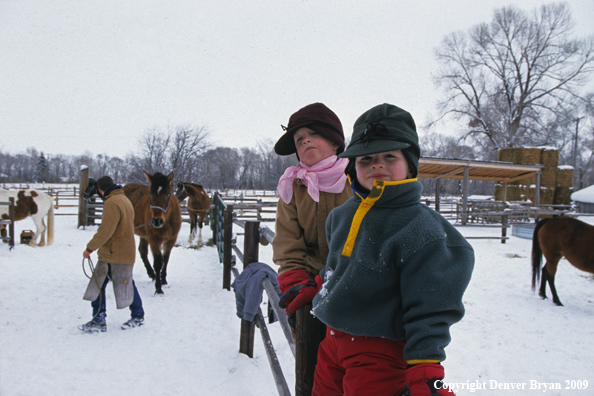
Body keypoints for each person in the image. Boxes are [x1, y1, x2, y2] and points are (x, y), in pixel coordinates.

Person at [311, 103, 475, 396]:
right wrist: (318, 287)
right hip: (331, 343)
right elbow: (335, 268)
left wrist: (426, 370)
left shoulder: (423, 230)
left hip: (379, 353)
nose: (377, 164)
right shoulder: (341, 216)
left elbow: (431, 308)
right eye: (366, 158)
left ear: (410, 164)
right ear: (352, 167)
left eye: (389, 156)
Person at [272, 103, 353, 390]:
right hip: (310, 288)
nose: (304, 140)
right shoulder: (292, 187)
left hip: (355, 286)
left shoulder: (357, 179)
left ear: (334, 142)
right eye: (298, 138)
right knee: (315, 366)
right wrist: (297, 282)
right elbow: (288, 243)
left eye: (312, 134)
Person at [79, 176, 145, 333]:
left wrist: (89, 248)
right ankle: (136, 314)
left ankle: (100, 319)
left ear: (101, 190)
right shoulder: (124, 199)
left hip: (114, 253)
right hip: (121, 251)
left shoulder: (111, 202)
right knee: (124, 282)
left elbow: (105, 230)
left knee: (100, 284)